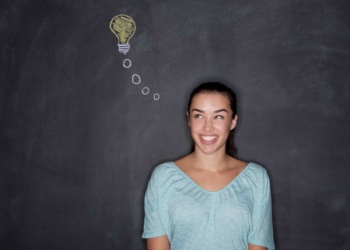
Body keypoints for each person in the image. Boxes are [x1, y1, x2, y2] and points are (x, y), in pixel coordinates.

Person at [142, 82, 275, 250]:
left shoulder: (257, 178)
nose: (207, 127)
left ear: (233, 121)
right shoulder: (162, 177)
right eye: (199, 116)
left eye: (218, 116)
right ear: (189, 118)